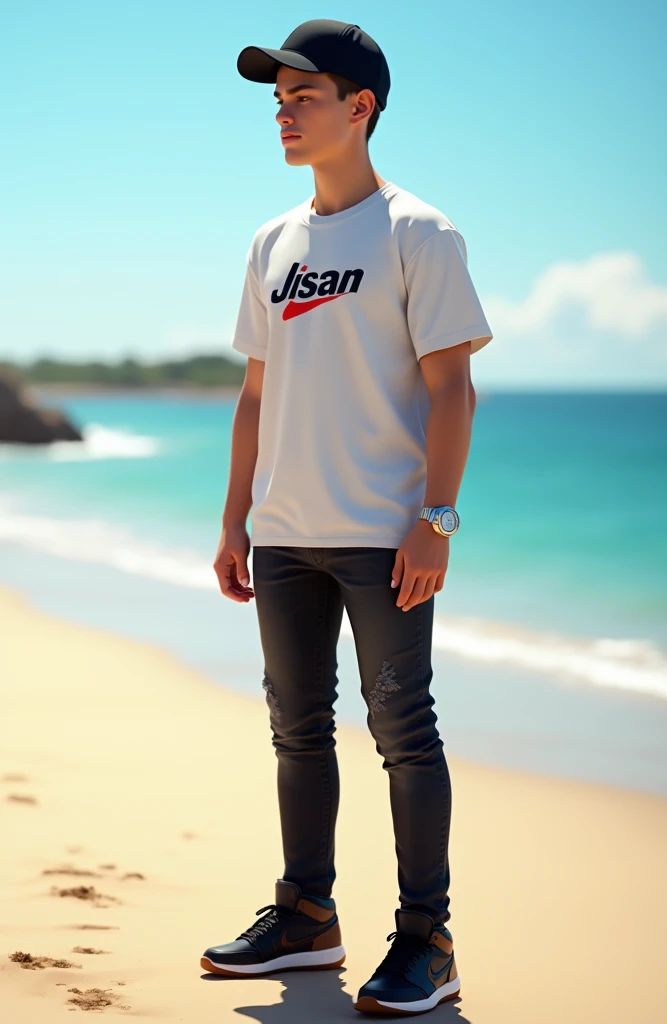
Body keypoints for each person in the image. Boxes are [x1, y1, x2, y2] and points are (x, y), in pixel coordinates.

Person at [201, 19, 493, 1016]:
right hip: (283, 533)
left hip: (383, 533)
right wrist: (235, 518)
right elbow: (254, 392)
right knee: (296, 730)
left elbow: (450, 387)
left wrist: (436, 518)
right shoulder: (271, 242)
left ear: (360, 107)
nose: (283, 112)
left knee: (402, 729)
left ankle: (427, 939)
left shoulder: (419, 233)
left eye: (303, 95)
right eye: (276, 98)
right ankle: (305, 918)